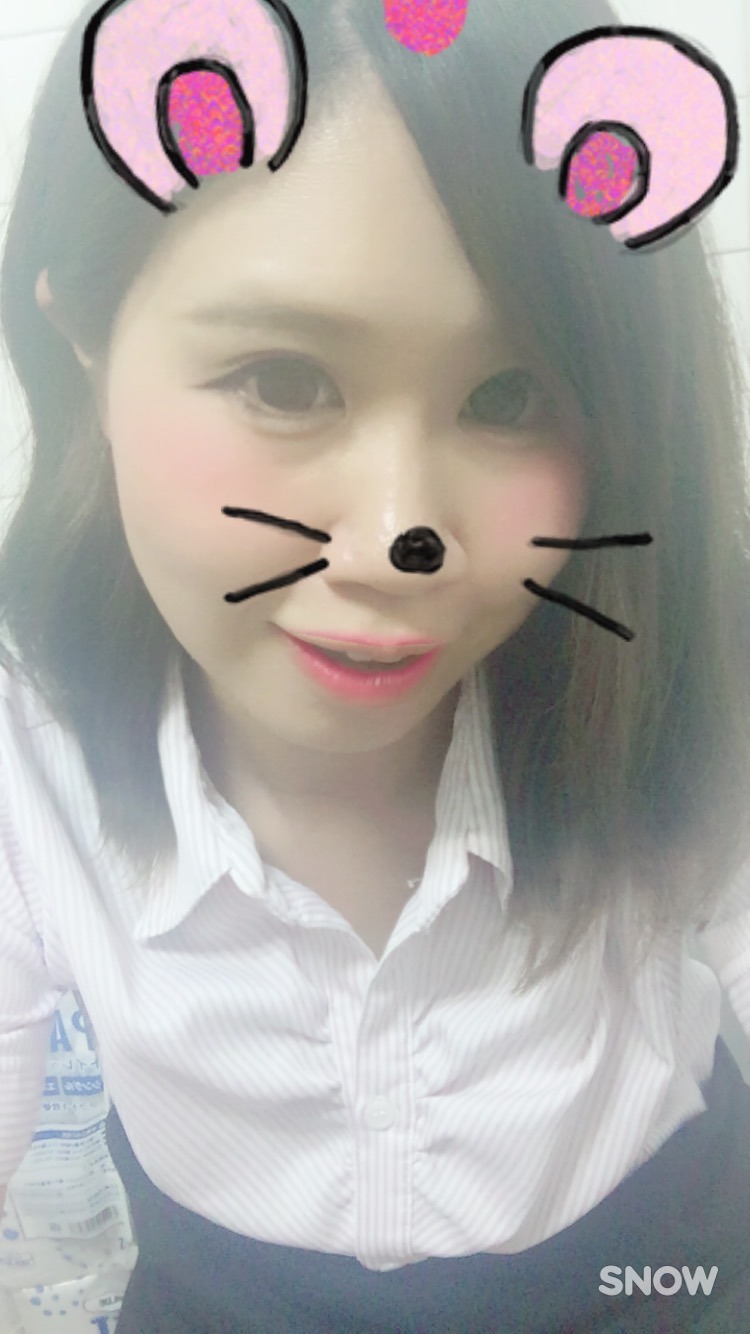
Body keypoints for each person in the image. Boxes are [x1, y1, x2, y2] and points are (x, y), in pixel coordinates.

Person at [1, 0, 749, 1329]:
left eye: (511, 398)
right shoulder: (26, 740)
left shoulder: (697, 679)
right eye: (284, 381)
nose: (404, 539)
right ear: (87, 342)